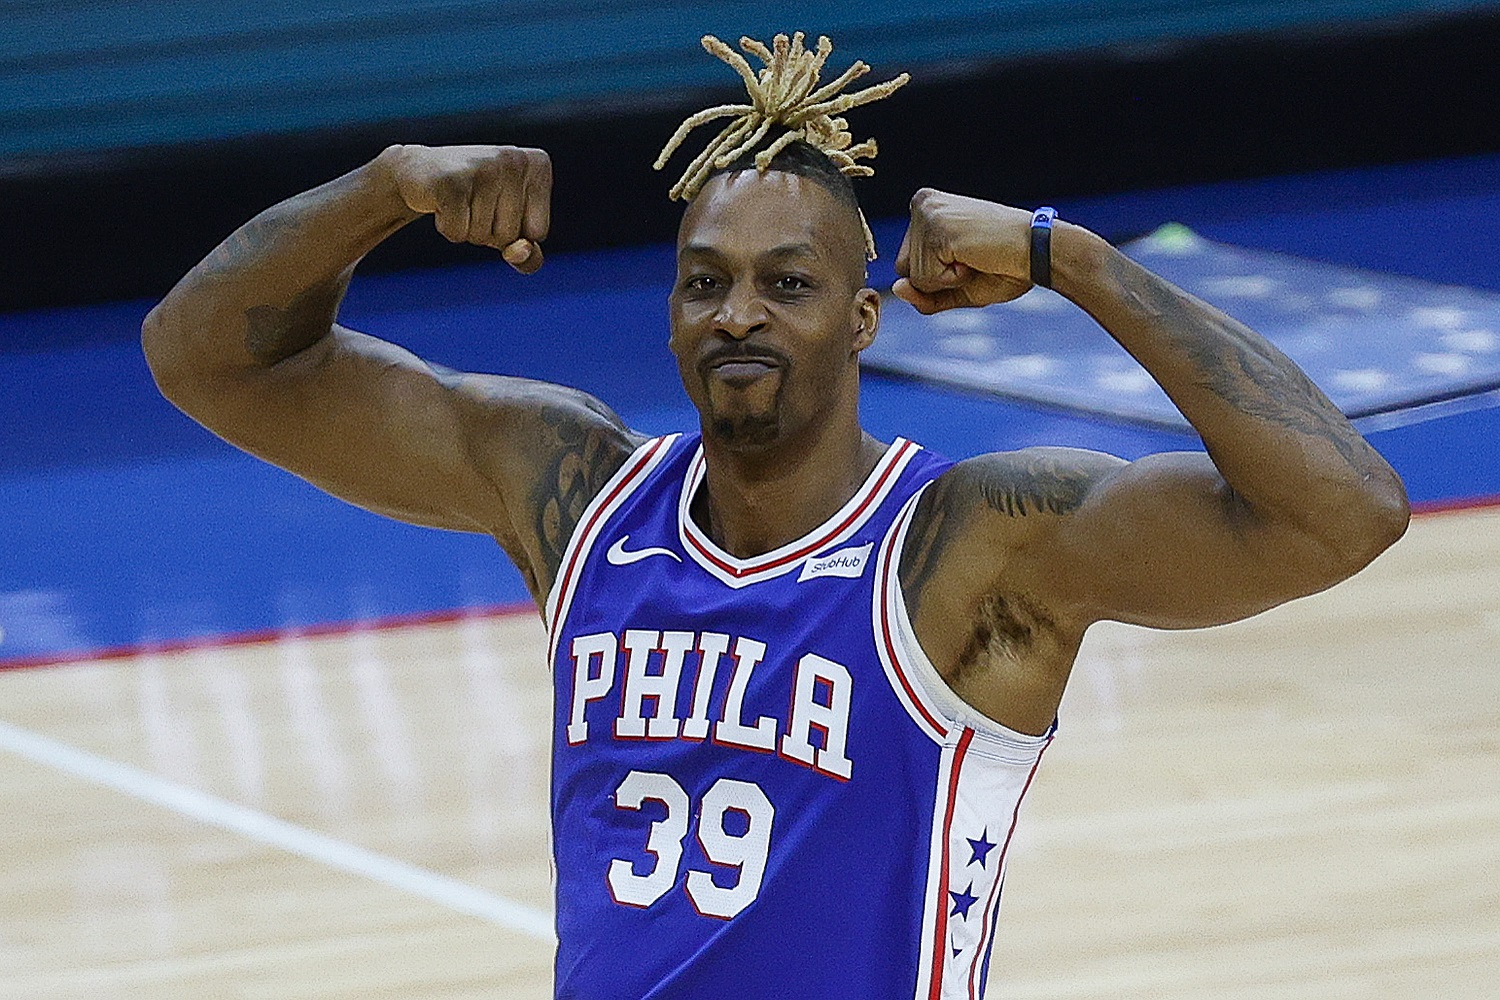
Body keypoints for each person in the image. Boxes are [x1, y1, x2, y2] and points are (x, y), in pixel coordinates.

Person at [141, 31, 1408, 1000]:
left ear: (861, 319)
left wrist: (1066, 257)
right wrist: (383, 188)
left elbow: (1340, 515)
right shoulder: (576, 494)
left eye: (786, 283)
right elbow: (207, 359)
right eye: (705, 283)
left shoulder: (969, 546)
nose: (736, 313)